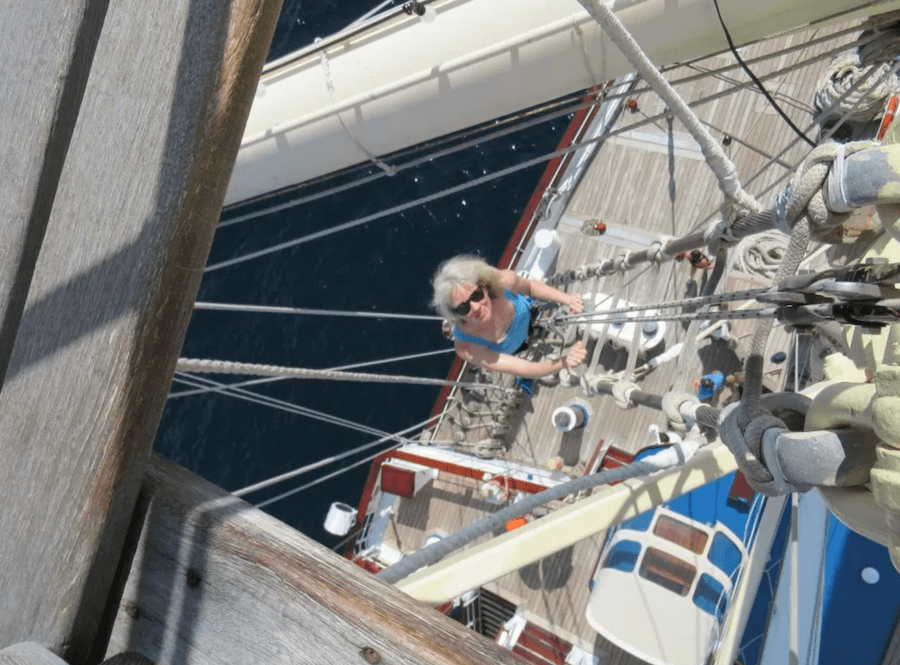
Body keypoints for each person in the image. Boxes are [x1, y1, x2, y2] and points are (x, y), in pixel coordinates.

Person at [432, 255, 587, 378]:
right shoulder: (467, 347)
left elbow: (531, 286)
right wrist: (563, 362)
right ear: (456, 315)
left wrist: (567, 299)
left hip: (531, 313)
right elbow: (527, 369)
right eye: (463, 308)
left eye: (477, 295)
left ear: (485, 287)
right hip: (517, 348)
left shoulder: (505, 282)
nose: (476, 307)